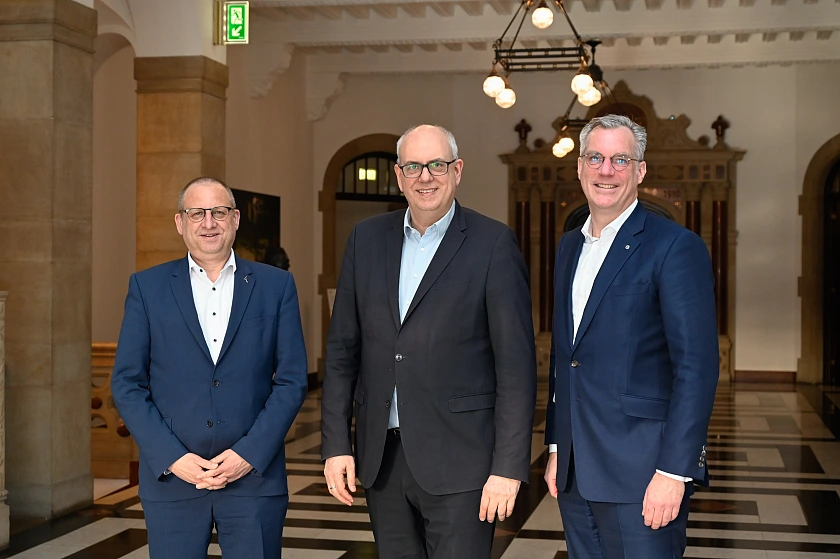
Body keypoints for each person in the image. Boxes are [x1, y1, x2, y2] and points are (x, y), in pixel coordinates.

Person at [321, 124, 537, 558]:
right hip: (382, 459)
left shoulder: (492, 243)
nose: (426, 177)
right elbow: (343, 352)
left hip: (462, 461)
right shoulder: (366, 239)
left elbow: (515, 366)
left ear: (456, 171)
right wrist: (336, 446)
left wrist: (508, 467)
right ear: (399, 176)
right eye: (414, 167)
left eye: (437, 165)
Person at [543, 115, 719, 558]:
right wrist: (556, 444)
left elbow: (696, 368)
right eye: (596, 158)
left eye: (621, 159)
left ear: (640, 171)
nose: (607, 171)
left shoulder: (675, 247)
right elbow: (566, 357)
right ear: (580, 167)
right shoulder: (568, 247)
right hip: (575, 471)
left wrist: (675, 472)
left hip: (645, 473)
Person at [111, 177, 308, 559]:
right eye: (196, 213)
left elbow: (291, 381)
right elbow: (127, 384)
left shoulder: (276, 286)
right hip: (174, 481)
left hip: (253, 479)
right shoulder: (147, 288)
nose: (208, 223)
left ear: (235, 219)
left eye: (218, 212)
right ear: (180, 222)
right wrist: (172, 457)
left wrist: (249, 454)